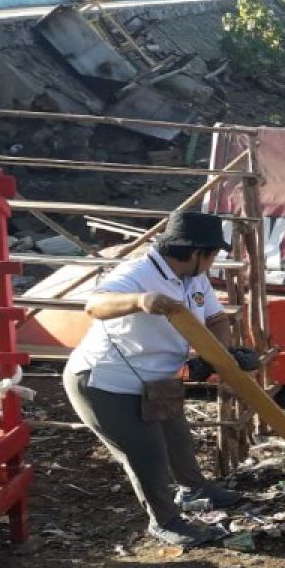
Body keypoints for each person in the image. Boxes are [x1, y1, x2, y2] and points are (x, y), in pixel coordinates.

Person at [63, 210, 244, 548]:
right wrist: (141, 301)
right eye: (213, 253)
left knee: (177, 440)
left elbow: (217, 319)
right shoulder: (137, 273)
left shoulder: (195, 277)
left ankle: (194, 491)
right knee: (147, 455)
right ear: (195, 252)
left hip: (157, 379)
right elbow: (94, 305)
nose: (215, 260)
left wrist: (218, 353)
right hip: (105, 383)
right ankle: (165, 521)